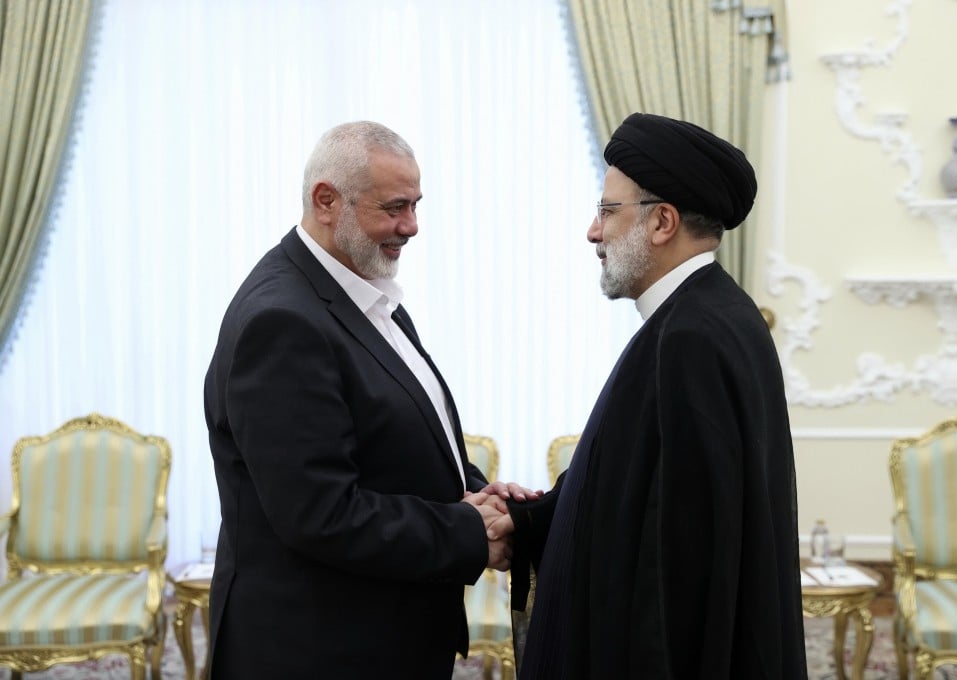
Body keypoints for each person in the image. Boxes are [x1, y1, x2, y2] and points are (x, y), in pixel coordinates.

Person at [204, 121, 524, 678]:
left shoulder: (363, 291)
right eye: (395, 208)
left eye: (417, 205)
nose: (413, 226)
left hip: (379, 629)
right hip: (318, 647)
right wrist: (469, 531)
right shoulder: (283, 321)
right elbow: (320, 512)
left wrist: (476, 491)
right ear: (326, 200)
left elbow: (390, 441)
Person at [506, 113, 808, 679]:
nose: (593, 233)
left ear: (662, 221)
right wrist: (531, 520)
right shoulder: (704, 314)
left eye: (606, 210)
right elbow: (631, 480)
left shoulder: (693, 335)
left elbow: (682, 565)